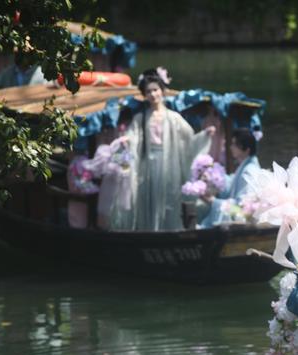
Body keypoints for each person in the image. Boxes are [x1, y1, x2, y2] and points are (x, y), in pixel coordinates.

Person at [108, 67, 214, 232]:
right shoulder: (140, 118)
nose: (153, 94)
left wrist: (204, 136)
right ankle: (148, 231)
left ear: (162, 91)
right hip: (146, 165)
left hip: (169, 165)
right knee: (147, 198)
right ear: (144, 94)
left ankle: (169, 231)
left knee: (168, 200)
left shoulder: (174, 118)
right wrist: (126, 141)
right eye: (149, 91)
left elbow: (189, 141)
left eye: (156, 90)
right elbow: (132, 137)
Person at [198, 129, 260, 228]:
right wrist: (213, 178)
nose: (231, 147)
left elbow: (242, 206)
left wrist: (213, 201)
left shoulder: (249, 171)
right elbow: (232, 187)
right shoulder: (245, 167)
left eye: (235, 145)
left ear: (247, 149)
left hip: (243, 219)